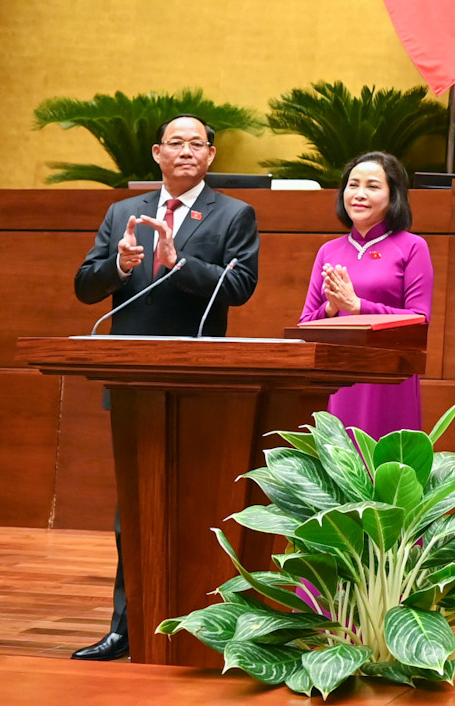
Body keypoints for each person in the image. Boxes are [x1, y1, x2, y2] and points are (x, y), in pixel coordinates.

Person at [70, 114, 260, 661]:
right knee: (132, 508)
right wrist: (117, 266)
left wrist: (182, 264)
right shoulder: (121, 212)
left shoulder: (234, 214)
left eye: (195, 144)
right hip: (133, 379)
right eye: (174, 143)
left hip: (199, 381)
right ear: (156, 152)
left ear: (211, 155)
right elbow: (86, 287)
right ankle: (124, 628)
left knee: (200, 504)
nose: (184, 152)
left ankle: (198, 627)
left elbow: (240, 286)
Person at [297, 151, 433, 435]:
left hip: (389, 378)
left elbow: (420, 320)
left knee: (384, 467)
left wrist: (358, 306)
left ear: (393, 195)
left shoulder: (412, 246)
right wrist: (332, 309)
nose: (359, 194)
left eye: (372, 186)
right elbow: (306, 325)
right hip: (338, 376)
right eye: (353, 184)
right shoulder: (328, 251)